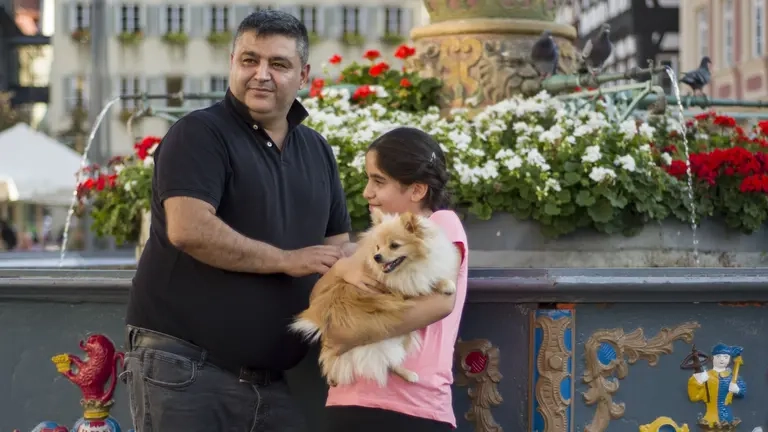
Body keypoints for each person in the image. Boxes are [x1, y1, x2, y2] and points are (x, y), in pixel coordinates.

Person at [124, 9, 354, 432]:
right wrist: (287, 259)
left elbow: (338, 251)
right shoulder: (199, 133)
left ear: (303, 75)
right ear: (232, 63)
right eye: (249, 60)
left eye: (278, 64)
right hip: (186, 370)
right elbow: (189, 229)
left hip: (272, 383)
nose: (261, 74)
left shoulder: (317, 151)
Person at [323, 127, 469, 432]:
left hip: (413, 407)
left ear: (416, 191)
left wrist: (348, 336)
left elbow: (440, 304)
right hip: (349, 400)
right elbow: (321, 301)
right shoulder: (378, 241)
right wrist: (339, 270)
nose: (367, 192)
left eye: (378, 181)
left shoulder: (440, 224)